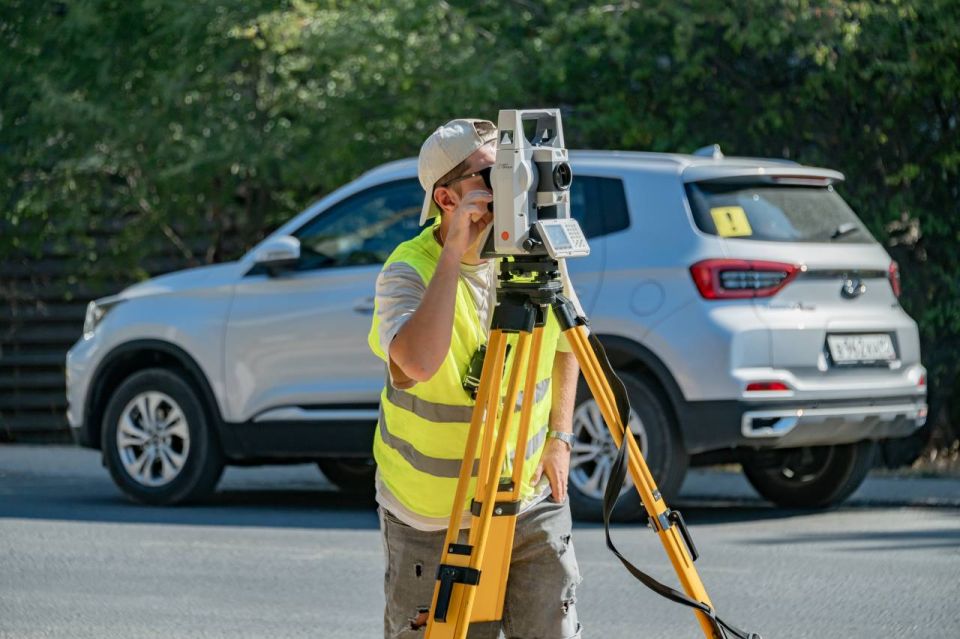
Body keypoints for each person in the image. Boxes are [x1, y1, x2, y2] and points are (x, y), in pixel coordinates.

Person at [367, 118, 583, 638]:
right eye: (491, 176)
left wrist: (559, 437)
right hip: (432, 516)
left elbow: (568, 343)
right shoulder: (407, 271)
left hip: (528, 499)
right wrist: (454, 252)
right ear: (446, 198)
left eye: (512, 169)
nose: (508, 185)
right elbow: (418, 363)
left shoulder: (532, 257)